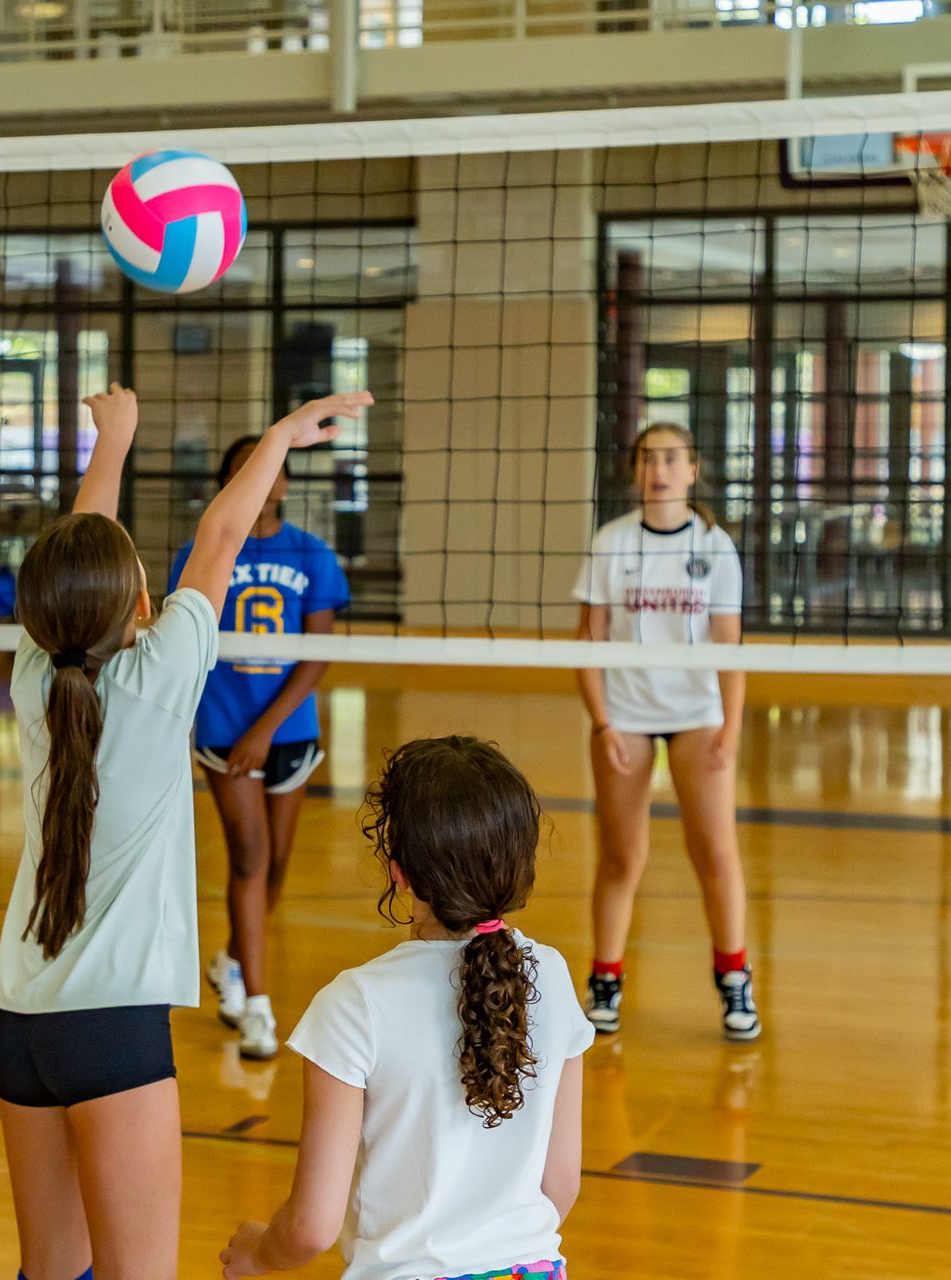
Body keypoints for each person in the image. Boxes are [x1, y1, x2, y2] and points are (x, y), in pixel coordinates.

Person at [0, 383, 371, 1280]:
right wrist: (278, 434)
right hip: (113, 1030)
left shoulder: (36, 675)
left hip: (19, 1022)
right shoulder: (160, 679)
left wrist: (112, 444)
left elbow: (89, 558)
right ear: (136, 605)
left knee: (49, 1273)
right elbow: (222, 538)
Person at [220, 736, 591, 1280]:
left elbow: (311, 1227)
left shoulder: (354, 1006)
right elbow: (561, 1184)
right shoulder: (552, 976)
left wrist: (259, 1253)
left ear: (401, 874)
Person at [572, 423, 758, 1041]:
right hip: (625, 715)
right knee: (622, 858)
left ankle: (735, 980)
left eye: (672, 458)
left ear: (692, 470)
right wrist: (602, 725)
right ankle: (606, 981)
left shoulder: (714, 545)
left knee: (716, 852)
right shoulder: (612, 543)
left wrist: (731, 726)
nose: (659, 469)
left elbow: (729, 645)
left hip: (698, 716)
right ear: (636, 471)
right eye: (649, 458)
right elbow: (588, 642)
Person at [168, 436, 350, 1061]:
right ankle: (258, 1007)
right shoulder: (199, 553)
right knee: (249, 858)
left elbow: (317, 653)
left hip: (287, 731)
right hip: (224, 728)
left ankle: (228, 960)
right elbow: (180, 639)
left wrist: (267, 727)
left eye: (268, 466)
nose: (258, 477)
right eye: (242, 468)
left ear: (284, 482)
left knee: (274, 869)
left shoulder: (313, 554)